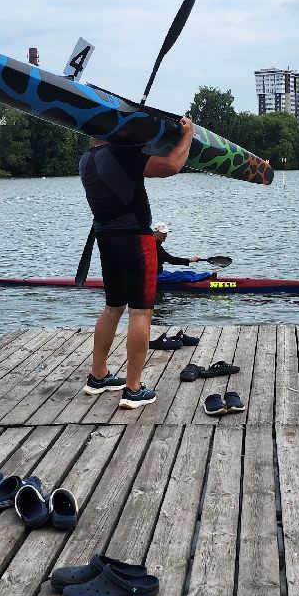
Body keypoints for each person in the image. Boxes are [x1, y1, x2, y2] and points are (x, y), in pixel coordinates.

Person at [78, 116, 195, 409]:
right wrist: (187, 135)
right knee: (140, 314)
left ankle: (99, 376)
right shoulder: (121, 153)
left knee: (113, 306)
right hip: (135, 242)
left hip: (105, 239)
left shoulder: (86, 161)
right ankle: (133, 389)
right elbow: (171, 166)